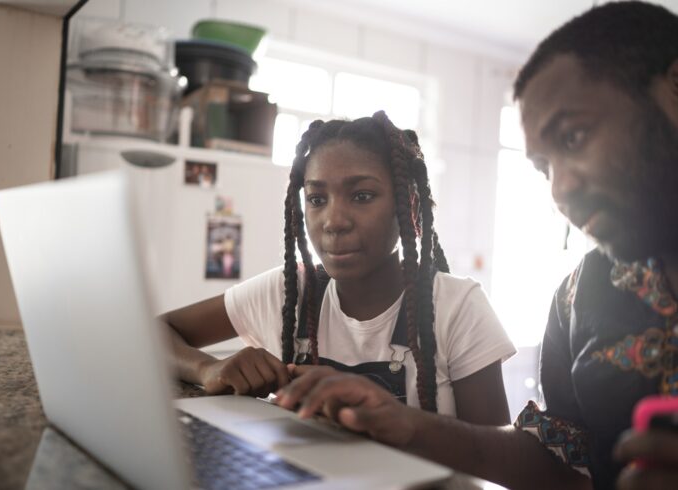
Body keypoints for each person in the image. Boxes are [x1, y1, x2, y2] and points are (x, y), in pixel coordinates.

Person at [273, 2, 678, 490]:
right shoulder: (580, 295)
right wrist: (407, 423)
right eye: (544, 168)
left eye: (573, 136)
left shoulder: (461, 304)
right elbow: (561, 464)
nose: (560, 189)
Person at [165, 111, 515, 423]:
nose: (333, 221)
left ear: (407, 206)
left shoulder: (457, 307)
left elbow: (494, 460)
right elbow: (155, 331)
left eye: (362, 196)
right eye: (317, 200)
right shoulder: (290, 293)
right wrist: (207, 367)